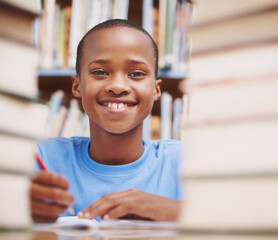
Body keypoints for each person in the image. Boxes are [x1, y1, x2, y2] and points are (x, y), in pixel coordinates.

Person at [31, 19, 183, 223]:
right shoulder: (43, 158)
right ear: (77, 86)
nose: (118, 86)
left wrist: (172, 210)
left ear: (156, 90)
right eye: (100, 72)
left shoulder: (184, 162)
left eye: (136, 74)